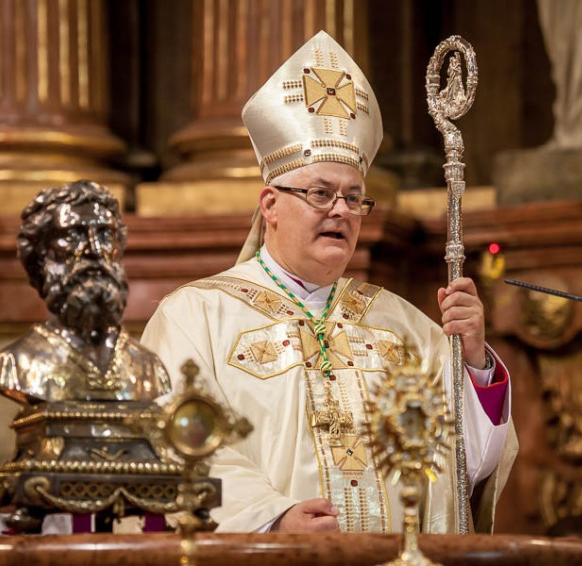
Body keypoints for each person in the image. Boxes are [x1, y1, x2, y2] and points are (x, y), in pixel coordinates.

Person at [141, 31, 517, 534]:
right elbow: (174, 445)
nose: (340, 210)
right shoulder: (194, 318)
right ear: (270, 205)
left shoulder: (406, 327)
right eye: (320, 194)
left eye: (354, 198)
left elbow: (461, 469)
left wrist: (471, 364)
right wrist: (272, 519)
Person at [0, 179, 170, 405]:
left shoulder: (148, 367)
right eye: (74, 235)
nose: (94, 250)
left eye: (105, 235)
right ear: (42, 254)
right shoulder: (16, 364)